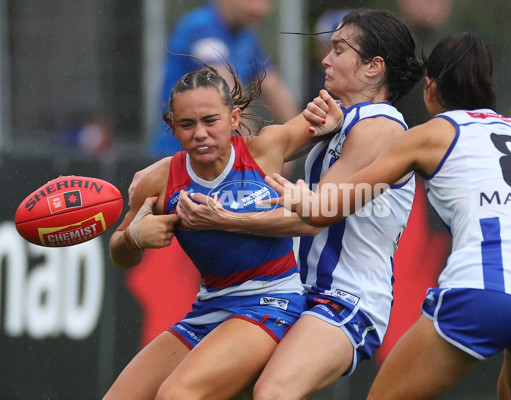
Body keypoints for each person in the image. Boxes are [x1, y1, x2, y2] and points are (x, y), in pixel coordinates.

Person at [265, 32, 511, 399]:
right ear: (489, 87)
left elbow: (329, 209)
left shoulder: (429, 135)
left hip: (481, 292)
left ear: (431, 88)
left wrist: (298, 195)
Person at [169, 9, 424, 398]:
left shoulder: (380, 126)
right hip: (296, 293)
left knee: (272, 392)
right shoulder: (343, 120)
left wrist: (225, 219)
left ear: (375, 66)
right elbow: (248, 150)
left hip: (344, 299)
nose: (326, 58)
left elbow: (311, 218)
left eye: (339, 49)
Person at [103, 63, 337, 400]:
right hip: (210, 308)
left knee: (177, 396)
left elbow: (334, 110)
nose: (199, 133)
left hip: (271, 302)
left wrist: (334, 119)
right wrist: (134, 238)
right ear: (172, 127)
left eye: (210, 120)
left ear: (234, 118)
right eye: (186, 124)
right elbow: (119, 255)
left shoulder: (265, 149)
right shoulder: (158, 181)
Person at [148, 0, 299, 158]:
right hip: (178, 155)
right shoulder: (201, 26)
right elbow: (226, 86)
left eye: (266, 2)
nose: (261, 9)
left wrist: (299, 138)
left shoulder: (246, 36)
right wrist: (257, 151)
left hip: (215, 157)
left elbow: (272, 86)